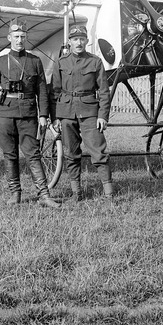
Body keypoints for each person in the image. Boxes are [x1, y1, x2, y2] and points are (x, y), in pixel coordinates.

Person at [0, 19, 61, 208]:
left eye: (23, 37)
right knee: (9, 155)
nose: (20, 40)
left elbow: (42, 90)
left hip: (28, 115)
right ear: (9, 38)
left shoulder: (35, 61)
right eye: (16, 37)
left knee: (33, 155)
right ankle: (15, 194)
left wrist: (43, 115)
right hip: (4, 115)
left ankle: (44, 195)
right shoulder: (0, 62)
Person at [52, 24, 113, 201]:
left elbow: (103, 91)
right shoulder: (61, 62)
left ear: (87, 41)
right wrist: (55, 117)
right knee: (71, 153)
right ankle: (76, 193)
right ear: (69, 42)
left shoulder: (95, 62)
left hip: (89, 112)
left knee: (99, 152)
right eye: (75, 39)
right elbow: (54, 91)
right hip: (66, 112)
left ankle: (109, 194)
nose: (78, 43)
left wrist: (102, 116)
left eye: (82, 39)